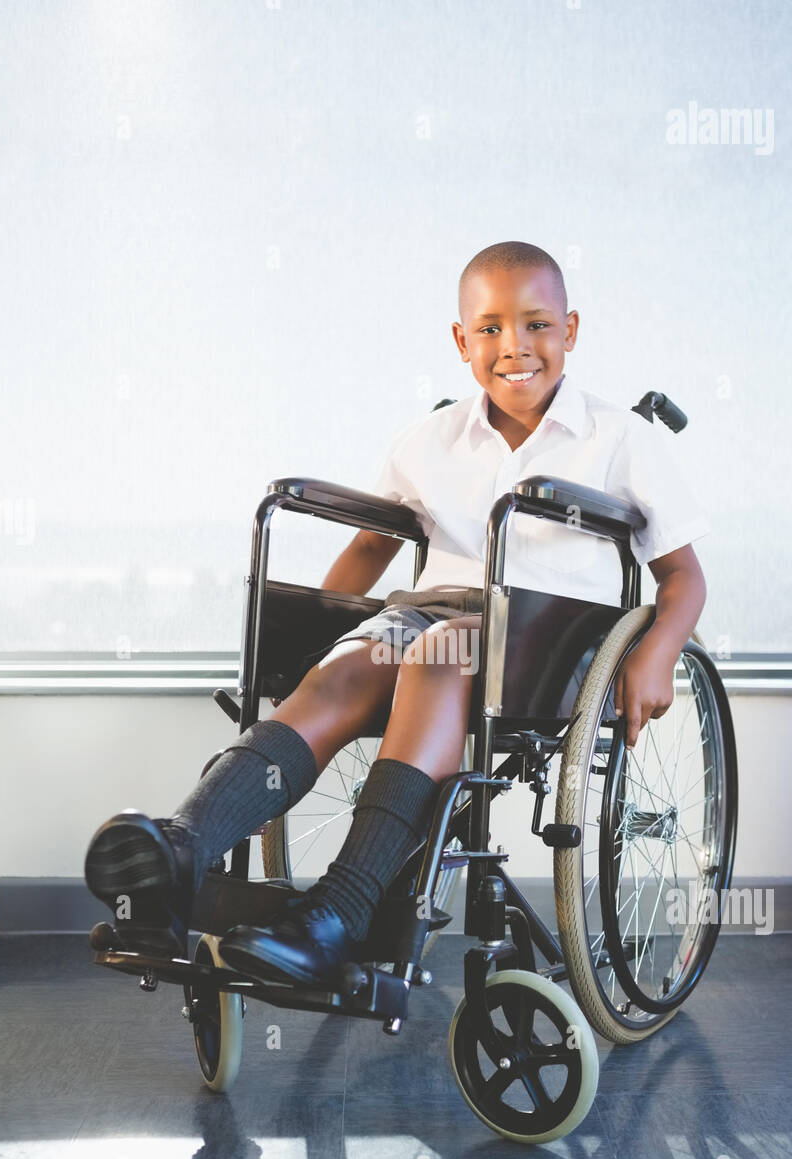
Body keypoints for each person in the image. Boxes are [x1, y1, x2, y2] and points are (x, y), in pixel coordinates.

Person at [84, 240, 709, 987]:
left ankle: (339, 911)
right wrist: (316, 654)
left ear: (570, 330)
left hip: (550, 637)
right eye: (490, 329)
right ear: (461, 340)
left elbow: (683, 577)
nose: (515, 346)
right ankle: (182, 850)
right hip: (426, 617)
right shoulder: (428, 440)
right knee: (346, 673)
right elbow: (367, 557)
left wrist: (660, 649)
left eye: (538, 325)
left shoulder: (621, 440)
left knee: (439, 652)